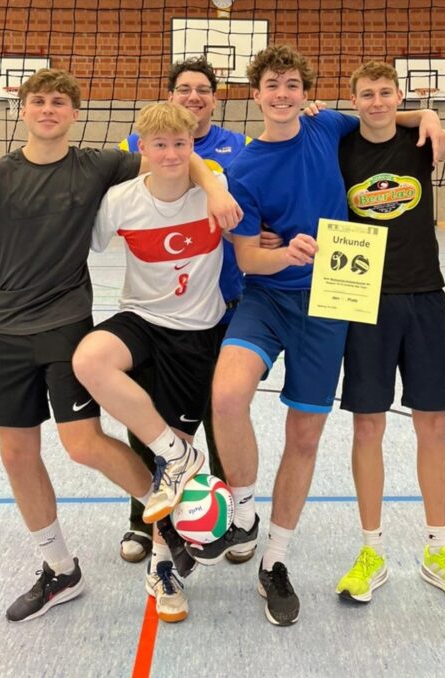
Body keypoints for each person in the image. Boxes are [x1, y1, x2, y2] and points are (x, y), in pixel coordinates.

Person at [0, 68, 239, 623]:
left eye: (59, 101)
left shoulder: (95, 167)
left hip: (66, 326)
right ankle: (59, 568)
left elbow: (175, 155)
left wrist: (214, 186)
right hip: (8, 330)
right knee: (16, 453)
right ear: (22, 109)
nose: (47, 109)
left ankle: (169, 524)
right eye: (38, 100)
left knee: (84, 445)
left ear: (74, 112)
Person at [185, 44, 444, 627]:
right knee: (226, 395)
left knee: (305, 436)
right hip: (269, 297)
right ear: (256, 95)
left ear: (306, 94)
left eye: (292, 85)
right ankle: (245, 514)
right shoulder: (243, 170)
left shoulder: (325, 125)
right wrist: (287, 257)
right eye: (272, 85)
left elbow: (380, 116)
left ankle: (274, 560)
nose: (282, 94)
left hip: (332, 296)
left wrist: (425, 116)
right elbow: (249, 259)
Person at [332, 63, 445, 606]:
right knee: (368, 427)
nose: (377, 102)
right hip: (361, 298)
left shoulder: (425, 139)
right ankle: (371, 549)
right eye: (367, 94)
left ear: (399, 95)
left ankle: (438, 547)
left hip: (425, 297)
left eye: (387, 93)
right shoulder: (338, 142)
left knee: (433, 424)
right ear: (354, 99)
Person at [116, 56, 280, 566]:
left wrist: (267, 231)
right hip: (160, 309)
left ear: (216, 97)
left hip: (227, 301)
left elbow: (261, 201)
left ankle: (225, 518)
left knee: (221, 413)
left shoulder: (242, 147)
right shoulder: (138, 145)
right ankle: (145, 517)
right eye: (184, 88)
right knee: (150, 419)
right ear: (170, 97)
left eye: (203, 89)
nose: (193, 96)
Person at [72, 101, 228, 623]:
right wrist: (8, 271)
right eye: (159, 144)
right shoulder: (120, 200)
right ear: (141, 148)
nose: (170, 153)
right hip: (139, 319)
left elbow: (254, 234)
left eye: (180, 144)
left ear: (192, 148)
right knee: (91, 359)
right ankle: (175, 455)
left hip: (195, 335)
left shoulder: (214, 191)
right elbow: (76, 247)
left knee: (172, 480)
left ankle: (164, 564)